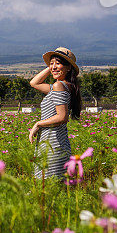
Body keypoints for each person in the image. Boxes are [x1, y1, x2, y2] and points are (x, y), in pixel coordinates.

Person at [28, 46, 83, 180]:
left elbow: (62, 117)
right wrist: (53, 66)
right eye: (51, 63)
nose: (53, 67)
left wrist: (38, 124)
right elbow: (34, 83)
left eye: (58, 63)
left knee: (48, 185)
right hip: (53, 142)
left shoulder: (59, 86)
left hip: (53, 143)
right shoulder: (63, 86)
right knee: (53, 187)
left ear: (68, 67)